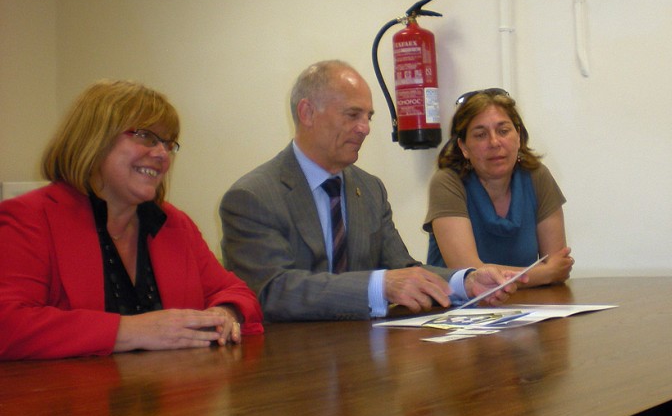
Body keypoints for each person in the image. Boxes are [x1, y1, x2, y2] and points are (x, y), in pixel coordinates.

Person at [219, 60, 522, 321]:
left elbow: (403, 269)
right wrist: (378, 287)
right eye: (353, 115)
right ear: (308, 113)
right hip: (289, 368)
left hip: (366, 363)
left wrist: (465, 282)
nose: (365, 128)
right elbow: (270, 291)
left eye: (369, 117)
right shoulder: (252, 197)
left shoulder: (369, 189)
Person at [0, 80, 263, 361]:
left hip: (176, 399)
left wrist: (224, 312)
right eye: (146, 136)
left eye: (167, 143)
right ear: (94, 138)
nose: (162, 153)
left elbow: (236, 292)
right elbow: (8, 323)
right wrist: (130, 330)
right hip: (64, 400)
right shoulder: (29, 218)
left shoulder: (173, 224)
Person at [423, 89, 573, 287]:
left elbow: (558, 267)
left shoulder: (537, 176)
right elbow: (470, 275)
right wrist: (544, 273)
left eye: (503, 131)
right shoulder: (447, 183)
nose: (494, 142)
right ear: (464, 147)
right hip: (458, 311)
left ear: (518, 137)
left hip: (530, 305)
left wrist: (549, 272)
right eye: (480, 135)